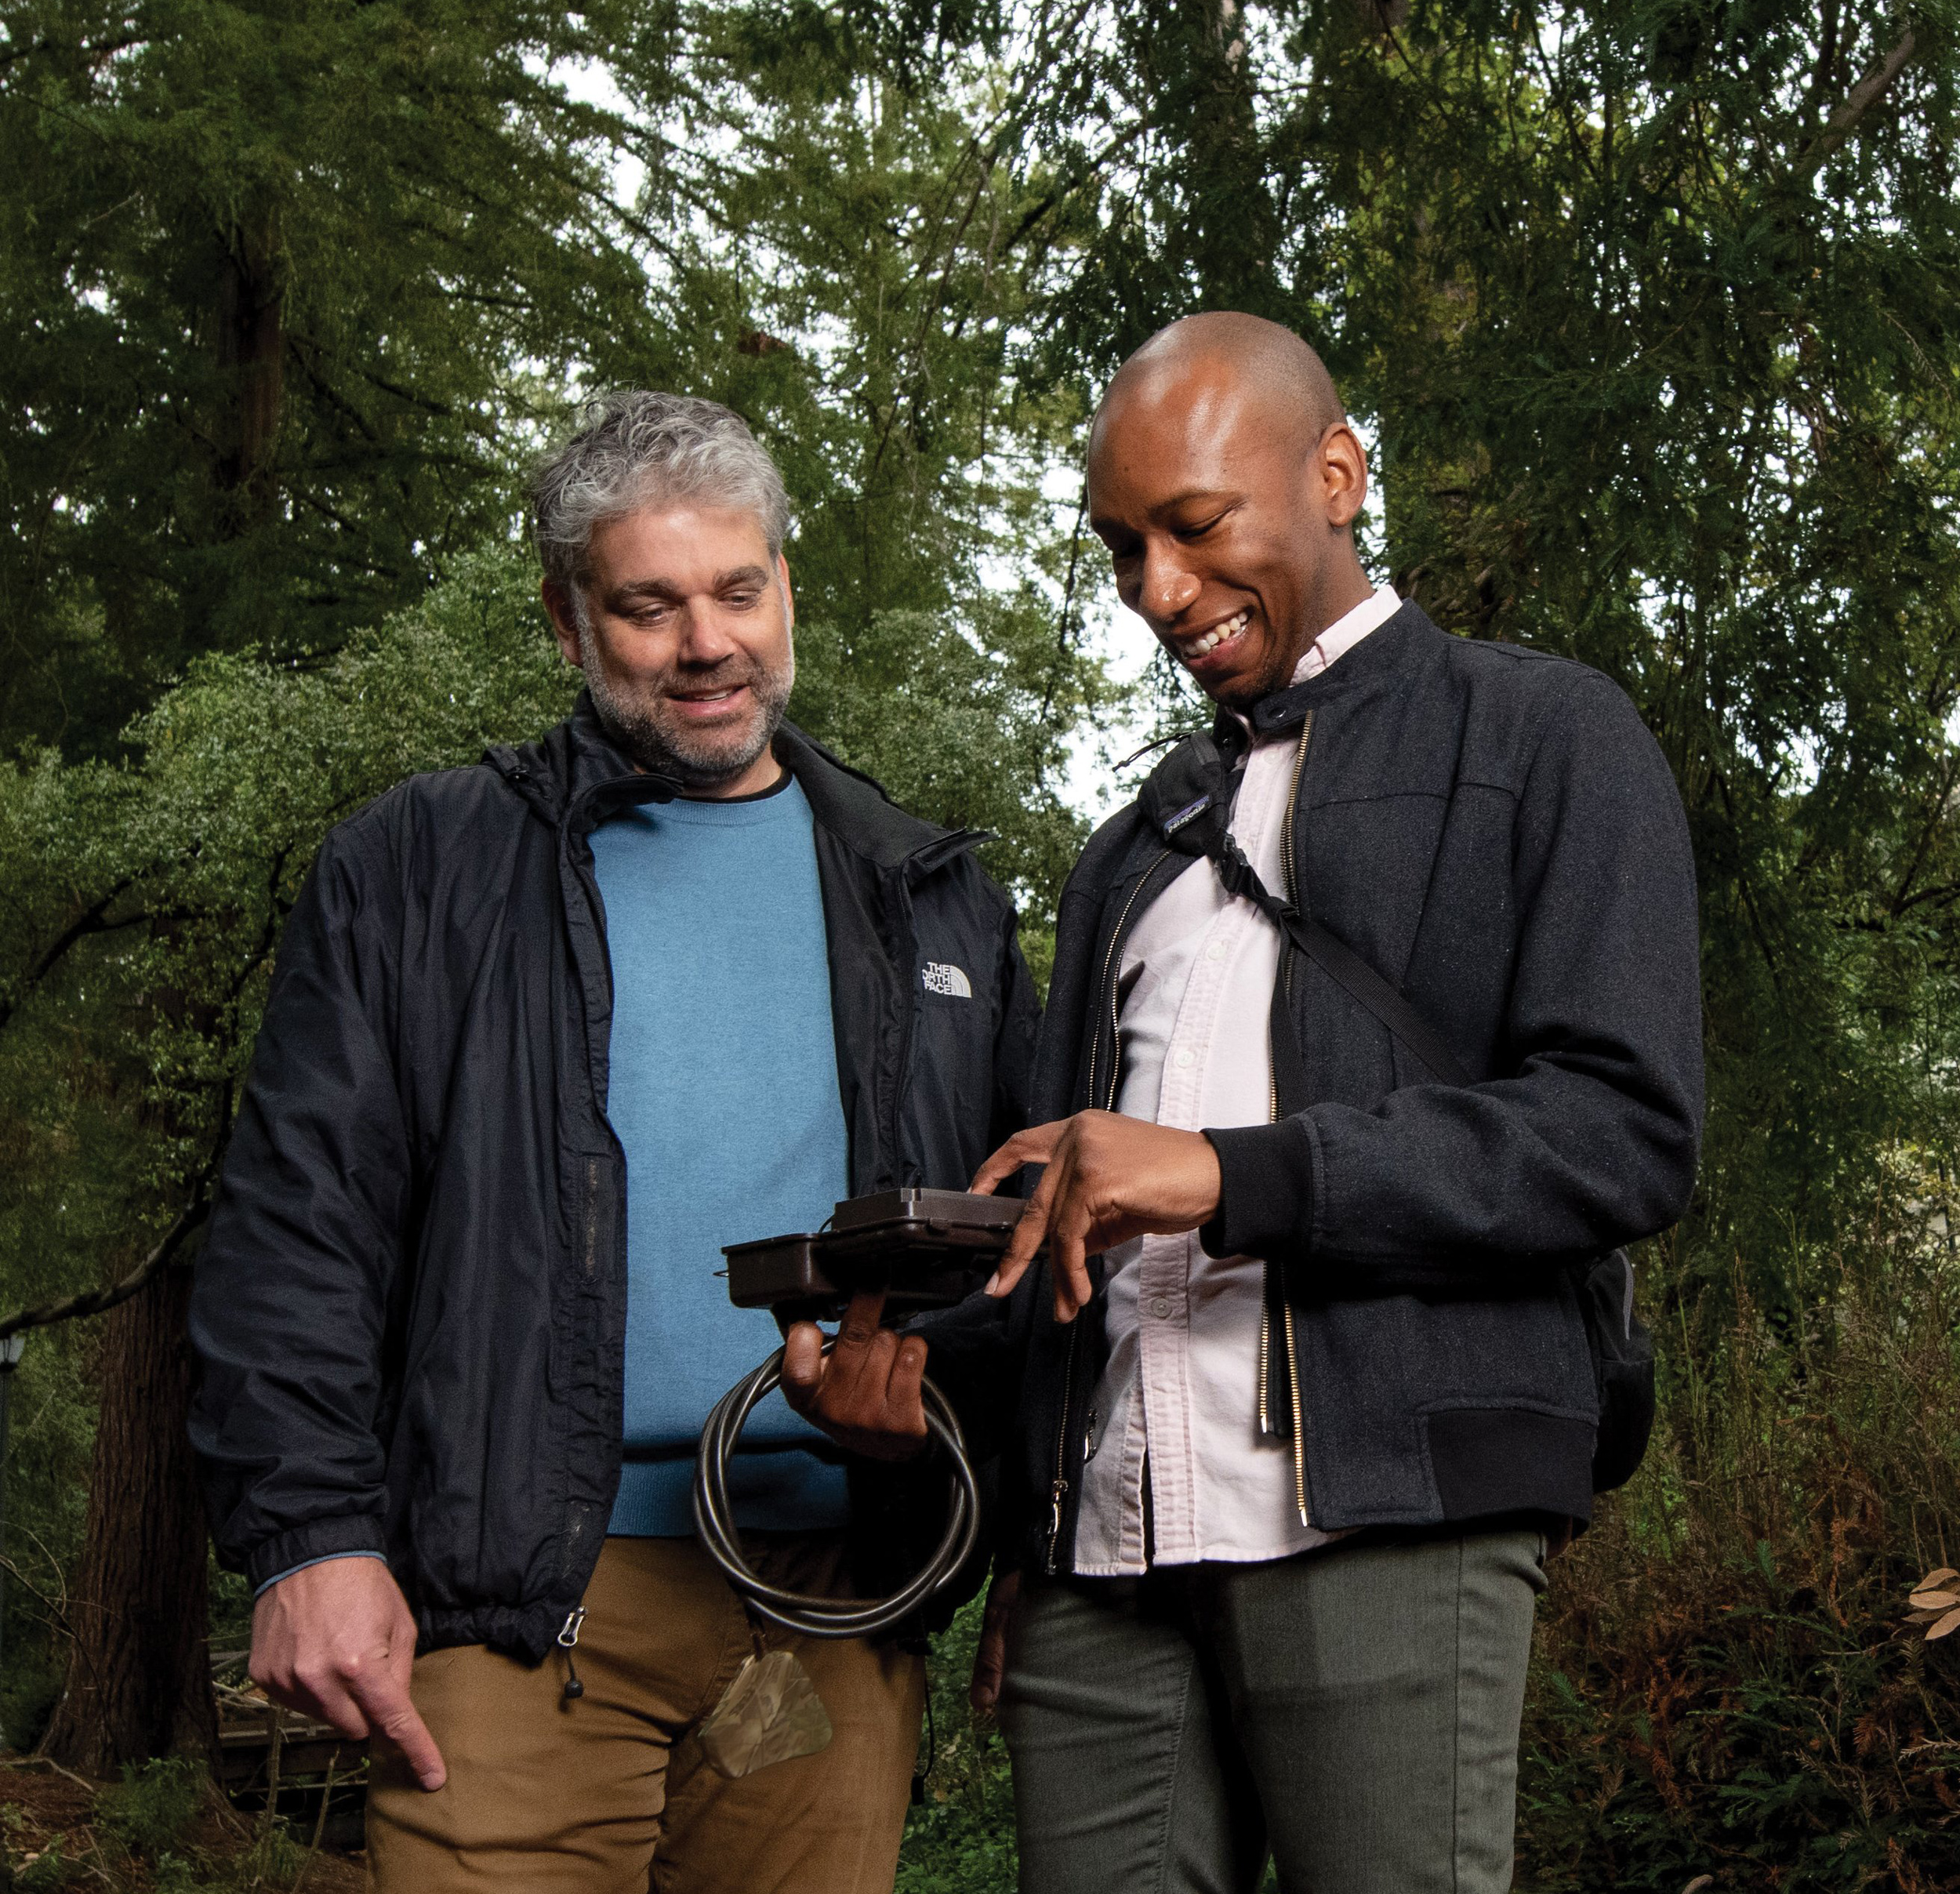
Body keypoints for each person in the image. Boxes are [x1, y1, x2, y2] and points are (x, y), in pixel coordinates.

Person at [187, 391, 1039, 1893]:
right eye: (648, 605)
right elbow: (295, 1224)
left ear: (788, 586)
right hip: (519, 1605)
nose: (705, 641)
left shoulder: (931, 894)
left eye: (738, 590)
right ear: (569, 623)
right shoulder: (421, 865)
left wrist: (996, 1495)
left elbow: (1016, 1257)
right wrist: (309, 1536)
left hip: (828, 1601)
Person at [949, 313, 1704, 1893]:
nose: (1155, 589)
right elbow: (1065, 1237)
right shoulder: (1126, 849)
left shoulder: (1547, 735)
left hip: (1386, 1509)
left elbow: (1616, 1127)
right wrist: (1014, 1507)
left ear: (1337, 473)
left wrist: (1230, 1175)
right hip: (1103, 1547)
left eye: (1194, 525)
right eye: (1118, 546)